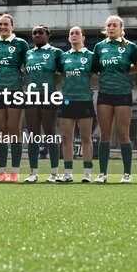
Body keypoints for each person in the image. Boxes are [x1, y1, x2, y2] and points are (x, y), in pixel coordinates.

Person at [93, 15, 137, 183]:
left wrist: (123, 72)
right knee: (105, 135)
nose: (111, 28)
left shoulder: (130, 47)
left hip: (123, 93)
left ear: (122, 28)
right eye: (109, 25)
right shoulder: (99, 47)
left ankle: (127, 174)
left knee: (123, 135)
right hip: (105, 94)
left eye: (114, 25)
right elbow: (96, 68)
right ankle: (102, 174)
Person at [0, 14, 30, 182]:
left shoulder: (21, 44)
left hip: (14, 90)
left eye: (5, 24)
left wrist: (21, 78)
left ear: (13, 26)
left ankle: (15, 171)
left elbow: (29, 65)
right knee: (1, 130)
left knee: (14, 129)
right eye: (0, 24)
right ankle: (1, 171)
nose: (2, 27)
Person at [56, 26, 97, 182]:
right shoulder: (64, 57)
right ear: (68, 38)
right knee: (67, 138)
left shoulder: (91, 56)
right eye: (71, 34)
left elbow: (95, 74)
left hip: (84, 100)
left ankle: (87, 174)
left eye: (77, 33)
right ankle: (68, 174)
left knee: (86, 138)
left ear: (83, 38)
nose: (74, 35)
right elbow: (59, 77)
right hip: (67, 100)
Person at [23, 24, 63, 183]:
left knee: (50, 133)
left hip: (48, 95)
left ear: (48, 35)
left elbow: (60, 75)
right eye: (34, 33)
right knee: (32, 134)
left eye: (40, 33)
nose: (37, 35)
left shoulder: (56, 53)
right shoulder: (28, 54)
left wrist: (49, 88)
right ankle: (33, 173)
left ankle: (54, 173)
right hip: (31, 96)